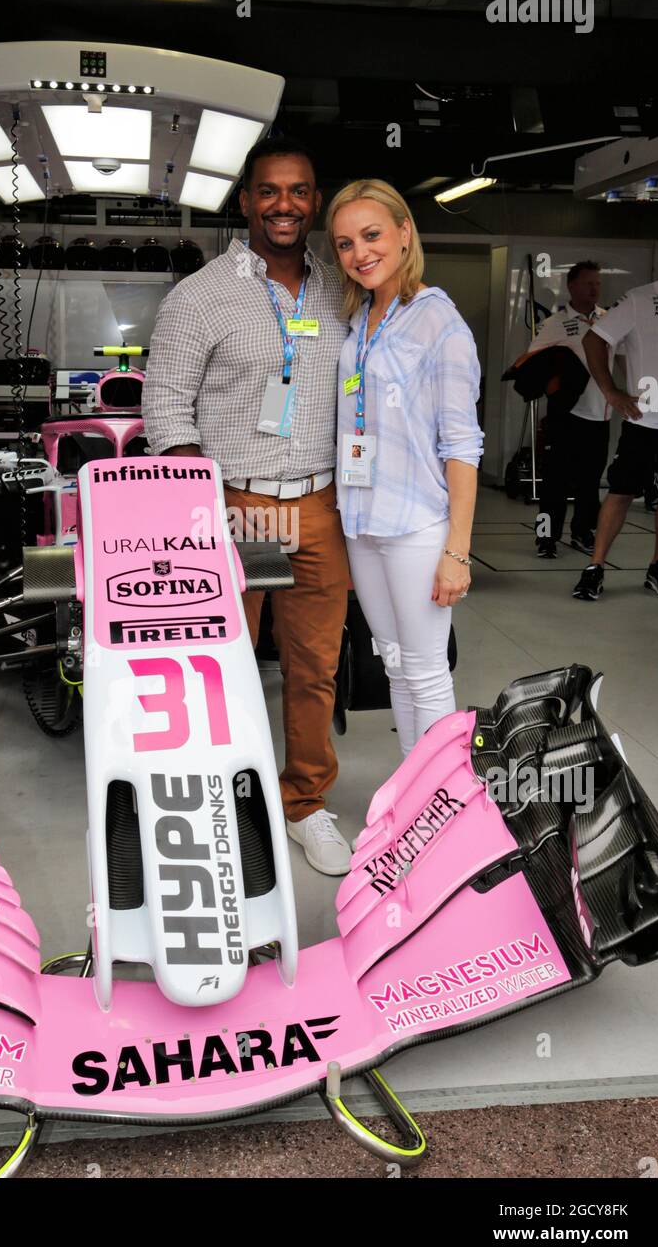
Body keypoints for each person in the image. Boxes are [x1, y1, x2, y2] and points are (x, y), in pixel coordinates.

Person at [141, 137, 353, 875]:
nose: (285, 205)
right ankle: (213, 802)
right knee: (218, 668)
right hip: (233, 506)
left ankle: (305, 804)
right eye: (270, 191)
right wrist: (197, 497)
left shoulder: (341, 290)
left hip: (321, 502)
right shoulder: (201, 296)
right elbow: (165, 407)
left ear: (315, 200)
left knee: (314, 666)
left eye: (298, 191)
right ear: (246, 201)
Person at [327, 179, 483, 760]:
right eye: (344, 244)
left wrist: (457, 551)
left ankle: (440, 807)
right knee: (392, 664)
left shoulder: (437, 321)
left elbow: (462, 444)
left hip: (417, 524)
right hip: (363, 522)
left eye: (371, 235)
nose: (360, 253)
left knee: (426, 671)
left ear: (403, 232)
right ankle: (414, 797)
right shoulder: (362, 316)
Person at [574, 232, 658, 601]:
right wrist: (611, 391)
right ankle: (595, 567)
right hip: (643, 421)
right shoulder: (640, 300)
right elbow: (593, 340)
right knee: (620, 492)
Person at [530, 261, 610, 558]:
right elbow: (532, 360)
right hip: (565, 414)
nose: (594, 289)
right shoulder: (555, 323)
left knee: (590, 481)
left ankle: (583, 532)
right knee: (554, 482)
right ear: (572, 286)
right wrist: (552, 384)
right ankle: (545, 538)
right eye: (589, 283)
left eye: (598, 283)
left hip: (599, 413)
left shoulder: (609, 320)